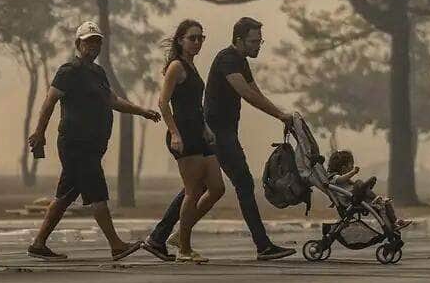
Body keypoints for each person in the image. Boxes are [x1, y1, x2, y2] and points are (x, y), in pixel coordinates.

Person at [144, 16, 296, 261]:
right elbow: (246, 93)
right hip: (216, 131)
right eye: (254, 41)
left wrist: (281, 113)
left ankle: (163, 236)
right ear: (239, 40)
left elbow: (254, 89)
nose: (258, 45)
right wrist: (278, 114)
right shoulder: (227, 59)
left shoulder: (237, 61)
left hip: (210, 130)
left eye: (260, 41)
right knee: (241, 184)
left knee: (201, 188)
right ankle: (262, 245)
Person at [26, 21, 162, 261]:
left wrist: (142, 111)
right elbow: (50, 102)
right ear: (78, 43)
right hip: (76, 144)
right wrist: (39, 132)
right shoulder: (68, 70)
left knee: (65, 196)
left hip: (92, 145)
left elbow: (112, 100)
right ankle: (116, 245)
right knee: (98, 193)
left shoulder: (98, 73)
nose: (93, 46)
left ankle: (38, 243)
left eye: (97, 41)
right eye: (89, 41)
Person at [155, 20, 224, 263]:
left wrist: (206, 128)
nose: (196, 42)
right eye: (192, 38)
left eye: (200, 38)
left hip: (199, 132)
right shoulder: (176, 66)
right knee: (193, 191)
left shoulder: (192, 67)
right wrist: (174, 133)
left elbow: (195, 105)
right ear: (180, 40)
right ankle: (184, 248)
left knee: (217, 188)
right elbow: (163, 103)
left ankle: (180, 233)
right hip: (183, 134)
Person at [326, 150, 411, 231]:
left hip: (355, 197)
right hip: (349, 200)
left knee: (386, 203)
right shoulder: (333, 178)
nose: (352, 167)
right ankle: (372, 196)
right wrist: (353, 172)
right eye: (350, 165)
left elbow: (350, 184)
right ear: (343, 168)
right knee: (359, 182)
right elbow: (341, 179)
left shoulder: (344, 179)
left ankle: (395, 222)